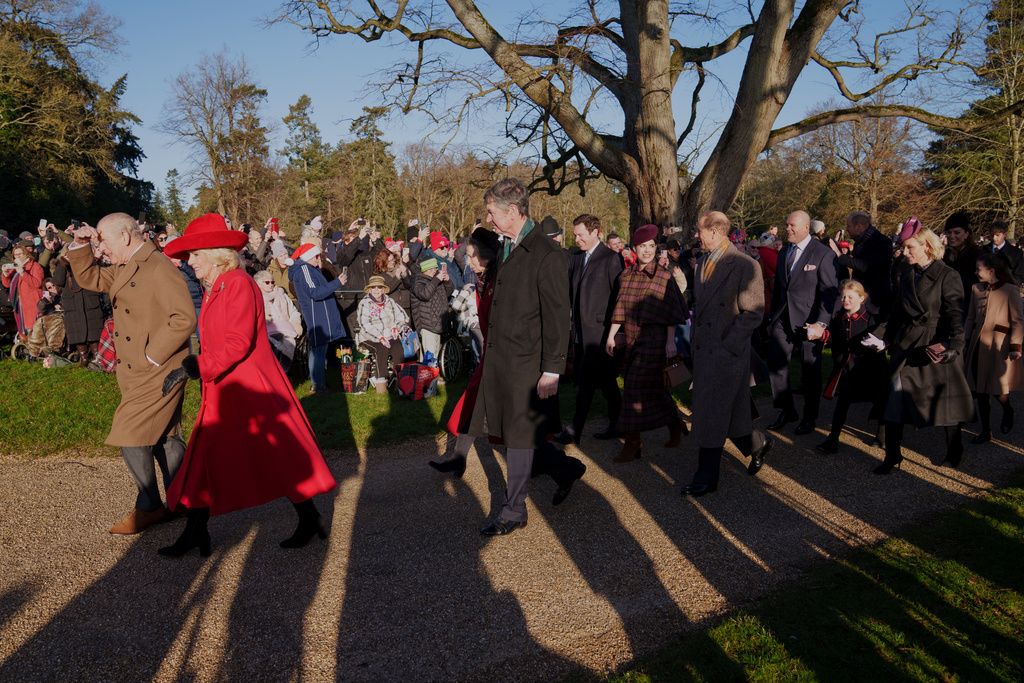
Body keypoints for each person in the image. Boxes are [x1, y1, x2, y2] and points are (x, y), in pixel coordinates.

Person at [160, 214, 337, 557]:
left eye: (194, 254)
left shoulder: (238, 282)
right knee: (205, 459)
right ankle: (196, 533)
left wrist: (195, 367)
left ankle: (309, 517)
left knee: (276, 457)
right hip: (227, 387)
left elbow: (238, 342)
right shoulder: (216, 287)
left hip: (249, 388)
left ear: (215, 254)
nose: (189, 261)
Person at [67, 213, 197, 534]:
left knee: (129, 431)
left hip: (160, 368)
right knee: (165, 436)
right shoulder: (126, 266)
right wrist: (81, 245)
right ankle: (183, 500)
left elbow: (183, 318)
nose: (101, 251)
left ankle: (150, 505)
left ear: (125, 237)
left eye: (104, 242)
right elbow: (90, 278)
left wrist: (150, 356)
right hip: (139, 370)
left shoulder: (157, 267)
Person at [469, 178, 584, 536]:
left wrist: (552, 370)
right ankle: (565, 470)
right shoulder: (506, 247)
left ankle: (513, 510)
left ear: (514, 212)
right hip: (503, 359)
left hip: (528, 364)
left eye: (492, 212)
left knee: (518, 437)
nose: (488, 218)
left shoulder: (547, 254)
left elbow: (556, 315)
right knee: (515, 434)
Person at [864, 220, 975, 473]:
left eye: (909, 247)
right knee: (894, 399)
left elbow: (956, 314)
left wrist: (955, 345)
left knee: (946, 404)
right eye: (903, 247)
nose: (904, 252)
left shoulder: (949, 275)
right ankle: (893, 456)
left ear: (927, 246)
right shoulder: (907, 271)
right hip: (908, 344)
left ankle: (954, 447)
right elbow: (897, 310)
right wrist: (881, 336)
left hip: (935, 346)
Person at [682, 211, 772, 496]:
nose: (696, 235)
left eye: (699, 230)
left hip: (727, 353)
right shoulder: (702, 263)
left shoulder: (745, 265)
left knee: (709, 414)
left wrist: (729, 344)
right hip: (705, 350)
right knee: (727, 412)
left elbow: (753, 311)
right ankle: (757, 444)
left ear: (714, 231)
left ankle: (706, 478)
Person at [604, 224, 688, 462]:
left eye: (652, 246)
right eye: (643, 247)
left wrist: (671, 343)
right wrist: (612, 335)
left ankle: (632, 443)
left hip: (655, 340)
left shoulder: (664, 276)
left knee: (632, 390)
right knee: (653, 389)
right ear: (634, 248)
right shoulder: (625, 276)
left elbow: (672, 311)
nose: (648, 251)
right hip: (631, 340)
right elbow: (619, 307)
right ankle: (675, 424)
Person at [431, 228, 502, 476]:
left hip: (504, 359)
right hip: (491, 357)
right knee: (473, 406)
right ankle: (459, 457)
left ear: (487, 258)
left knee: (517, 426)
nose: (467, 262)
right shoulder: (484, 280)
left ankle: (562, 468)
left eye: (471, 257)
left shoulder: (499, 280)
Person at [766, 210, 839, 436]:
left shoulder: (823, 254)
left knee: (810, 371)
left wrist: (821, 324)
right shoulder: (785, 251)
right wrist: (772, 317)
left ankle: (810, 417)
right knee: (776, 364)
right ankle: (787, 410)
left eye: (792, 225)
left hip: (811, 323)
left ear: (806, 227)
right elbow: (780, 286)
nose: (787, 229)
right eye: (786, 224)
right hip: (782, 319)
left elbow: (829, 293)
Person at [554, 213, 624, 444]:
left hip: (601, 334)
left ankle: (574, 430)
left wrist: (616, 334)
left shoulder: (611, 258)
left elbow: (619, 300)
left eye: (581, 235)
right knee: (606, 384)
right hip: (581, 334)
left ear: (595, 232)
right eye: (575, 235)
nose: (577, 239)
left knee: (585, 382)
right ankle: (620, 423)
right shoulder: (577, 258)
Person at [815, 280, 889, 453]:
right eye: (843, 296)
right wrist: (821, 335)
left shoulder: (872, 319)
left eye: (850, 297)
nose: (845, 300)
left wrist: (880, 344)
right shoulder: (840, 317)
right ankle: (833, 440)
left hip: (871, 369)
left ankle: (882, 435)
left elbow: (881, 340)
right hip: (849, 368)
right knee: (842, 403)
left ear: (861, 298)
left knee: (879, 402)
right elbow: (835, 337)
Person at [963, 253, 1024, 443]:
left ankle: (1008, 410)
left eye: (978, 269)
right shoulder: (976, 288)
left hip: (999, 345)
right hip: (977, 344)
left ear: (991, 271)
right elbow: (971, 317)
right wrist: (965, 341)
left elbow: (1018, 321)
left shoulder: (1010, 290)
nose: (975, 273)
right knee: (980, 390)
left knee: (997, 388)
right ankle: (985, 431)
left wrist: (1015, 346)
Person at [290, 242, 348, 394]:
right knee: (319, 351)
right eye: (317, 256)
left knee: (317, 351)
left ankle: (316, 384)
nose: (319, 259)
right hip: (317, 316)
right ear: (310, 256)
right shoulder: (304, 269)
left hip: (320, 315)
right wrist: (337, 283)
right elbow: (315, 293)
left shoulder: (310, 269)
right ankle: (319, 385)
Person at [832, 211, 894, 316]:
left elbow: (865, 265)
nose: (846, 229)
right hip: (860, 298)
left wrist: (840, 256)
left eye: (849, 226)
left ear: (859, 226)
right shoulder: (859, 242)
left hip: (875, 300)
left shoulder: (882, 242)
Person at [356, 275, 410, 393]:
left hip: (389, 335)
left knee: (398, 348)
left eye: (379, 287)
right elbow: (364, 325)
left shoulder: (390, 301)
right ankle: (382, 384)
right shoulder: (365, 303)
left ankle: (400, 381)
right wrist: (379, 337)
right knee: (382, 349)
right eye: (373, 288)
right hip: (369, 338)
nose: (376, 290)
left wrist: (396, 327)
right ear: (369, 290)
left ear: (383, 289)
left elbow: (403, 317)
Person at [51, 251, 105, 367]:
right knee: (76, 330)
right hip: (72, 302)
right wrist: (63, 263)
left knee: (93, 328)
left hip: (89, 299)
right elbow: (58, 281)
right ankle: (83, 358)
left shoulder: (87, 261)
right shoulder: (63, 265)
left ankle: (97, 357)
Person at [255, 269, 303, 372]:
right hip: (266, 330)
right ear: (259, 284)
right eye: (267, 282)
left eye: (272, 282)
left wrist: (296, 323)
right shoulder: (255, 298)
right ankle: (276, 374)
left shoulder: (281, 294)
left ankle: (282, 373)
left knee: (286, 343)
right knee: (273, 344)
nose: (271, 284)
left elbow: (293, 311)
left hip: (286, 329)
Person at [411, 256, 454, 362]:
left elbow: (447, 293)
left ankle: (432, 376)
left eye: (434, 268)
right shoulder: (418, 281)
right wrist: (436, 280)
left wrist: (447, 282)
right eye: (430, 269)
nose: (433, 271)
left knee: (435, 353)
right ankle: (428, 377)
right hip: (426, 323)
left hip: (437, 322)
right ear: (424, 269)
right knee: (430, 355)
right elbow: (425, 294)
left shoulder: (434, 280)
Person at [942, 211, 984, 306]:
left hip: (969, 304)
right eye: (949, 232)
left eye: (957, 232)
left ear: (966, 234)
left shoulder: (977, 255)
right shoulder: (943, 255)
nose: (952, 236)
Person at [2, 244, 45, 336]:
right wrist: (5, 274)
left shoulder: (35, 266)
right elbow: (7, 284)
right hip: (20, 305)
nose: (18, 256)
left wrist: (23, 273)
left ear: (25, 254)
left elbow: (37, 283)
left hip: (33, 304)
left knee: (35, 332)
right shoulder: (14, 268)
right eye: (15, 255)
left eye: (20, 254)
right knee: (26, 333)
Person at [984, 219, 1024, 286]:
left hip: (1007, 290)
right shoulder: (983, 250)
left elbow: (1019, 276)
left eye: (997, 235)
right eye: (992, 235)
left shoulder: (1016, 253)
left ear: (1005, 234)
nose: (994, 238)